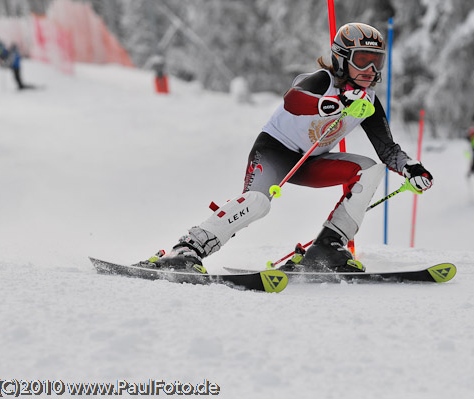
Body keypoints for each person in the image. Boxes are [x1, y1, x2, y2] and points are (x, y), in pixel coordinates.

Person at [142, 22, 434, 273]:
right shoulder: (324, 80)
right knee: (258, 203)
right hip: (275, 151)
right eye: (363, 60)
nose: (371, 69)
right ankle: (188, 249)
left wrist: (410, 167)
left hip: (312, 162)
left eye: (377, 61)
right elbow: (292, 99)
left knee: (370, 169)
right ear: (343, 58)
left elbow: (387, 148)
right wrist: (328, 103)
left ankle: (328, 247)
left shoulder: (368, 102)